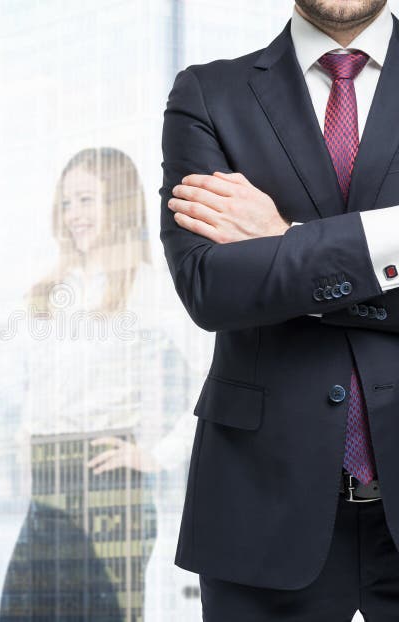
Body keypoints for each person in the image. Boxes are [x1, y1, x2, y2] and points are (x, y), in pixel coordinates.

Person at [160, 1, 399, 619]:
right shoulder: (209, 94)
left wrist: (281, 238)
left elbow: (258, 277)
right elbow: (210, 288)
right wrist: (386, 244)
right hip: (260, 505)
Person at [0, 148, 198, 621]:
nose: (74, 216)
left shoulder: (149, 288)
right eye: (67, 204)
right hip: (48, 483)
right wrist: (24, 433)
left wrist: (158, 454)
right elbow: (27, 382)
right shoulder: (47, 292)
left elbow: (217, 372)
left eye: (87, 200)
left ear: (120, 204)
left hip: (109, 485)